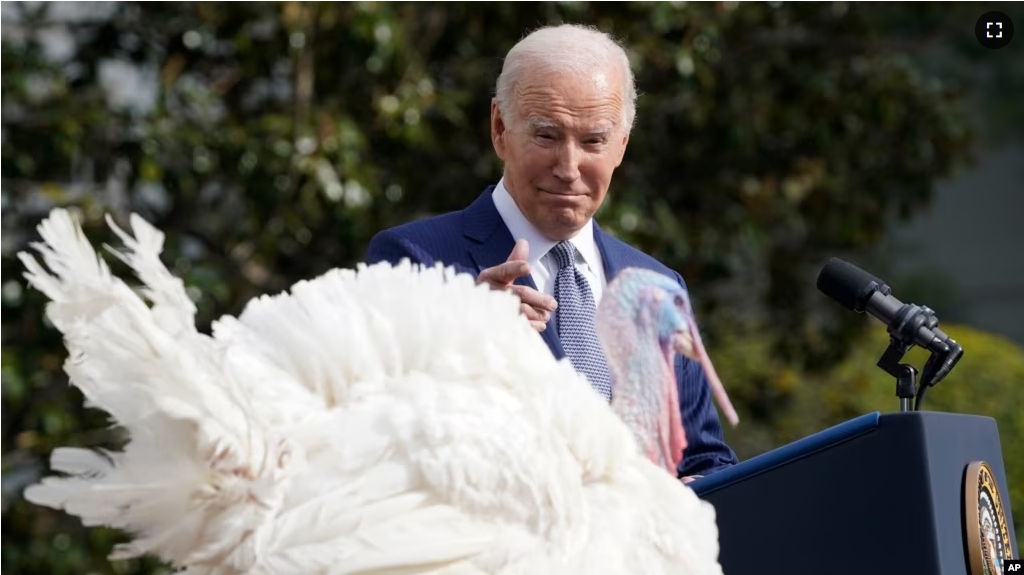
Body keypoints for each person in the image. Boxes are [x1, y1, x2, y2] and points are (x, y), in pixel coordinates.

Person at [364, 23, 738, 480]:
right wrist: (463, 339)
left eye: (593, 141)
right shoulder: (415, 261)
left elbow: (705, 461)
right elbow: (373, 439)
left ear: (622, 144)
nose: (568, 167)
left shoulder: (656, 287)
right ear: (500, 128)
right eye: (546, 135)